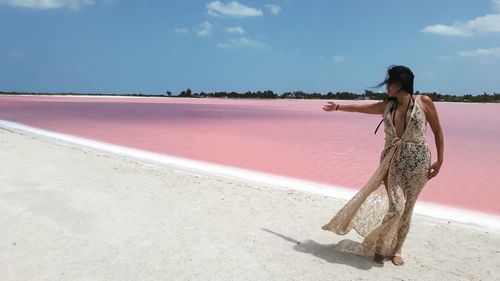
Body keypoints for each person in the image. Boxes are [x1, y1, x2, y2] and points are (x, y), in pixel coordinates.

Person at [320, 65, 444, 266]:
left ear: (400, 84)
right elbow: (362, 108)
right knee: (396, 207)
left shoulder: (424, 102)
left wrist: (440, 160)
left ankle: (396, 250)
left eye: (389, 82)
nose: (386, 86)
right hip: (392, 161)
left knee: (407, 209)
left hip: (420, 162)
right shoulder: (388, 105)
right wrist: (337, 107)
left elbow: (438, 131)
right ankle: (379, 245)